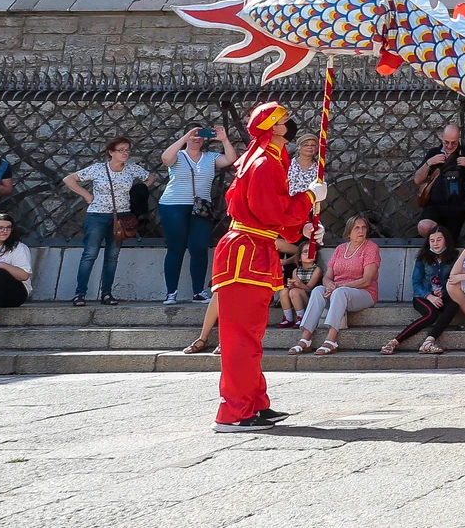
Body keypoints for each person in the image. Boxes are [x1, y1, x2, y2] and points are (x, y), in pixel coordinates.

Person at [212, 102, 320, 432]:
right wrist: (308, 200)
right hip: (245, 252)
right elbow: (272, 211)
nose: (290, 123)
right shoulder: (262, 163)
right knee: (241, 337)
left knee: (252, 335)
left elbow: (272, 217)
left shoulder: (267, 160)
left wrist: (301, 228)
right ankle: (234, 411)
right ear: (273, 127)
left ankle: (254, 403)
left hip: (256, 248)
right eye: (285, 120)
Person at [62, 137, 150, 307]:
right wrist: (87, 195)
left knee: (112, 256)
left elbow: (150, 177)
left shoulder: (132, 169)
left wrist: (140, 190)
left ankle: (107, 293)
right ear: (111, 152)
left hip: (122, 216)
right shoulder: (98, 169)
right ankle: (80, 294)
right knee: (90, 254)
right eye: (121, 150)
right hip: (98, 215)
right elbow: (69, 179)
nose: (125, 153)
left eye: (127, 150)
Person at [156, 125, 234, 305]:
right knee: (176, 248)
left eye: (200, 136)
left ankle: (198, 291)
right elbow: (166, 158)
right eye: (193, 135)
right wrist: (184, 138)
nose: (196, 139)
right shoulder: (178, 155)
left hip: (201, 207)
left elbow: (230, 159)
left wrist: (223, 139)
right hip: (174, 205)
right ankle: (171, 293)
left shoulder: (210, 157)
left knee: (199, 248)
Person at [290, 215, 380, 355]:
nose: (361, 231)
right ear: (349, 232)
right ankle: (306, 338)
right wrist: (329, 285)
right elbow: (327, 277)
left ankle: (331, 340)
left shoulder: (371, 248)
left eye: (363, 228)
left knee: (340, 292)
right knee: (318, 290)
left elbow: (366, 280)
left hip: (364, 292)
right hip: (337, 291)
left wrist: (339, 287)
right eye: (357, 228)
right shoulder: (339, 249)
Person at [385, 229, 459, 354]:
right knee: (431, 315)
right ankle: (394, 342)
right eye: (432, 240)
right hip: (423, 296)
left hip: (444, 295)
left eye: (439, 239)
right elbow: (416, 283)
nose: (435, 243)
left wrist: (444, 292)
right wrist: (429, 296)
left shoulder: (453, 257)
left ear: (446, 240)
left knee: (454, 305)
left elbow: (455, 279)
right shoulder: (423, 258)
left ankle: (428, 342)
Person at [414, 124, 465, 240]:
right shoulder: (434, 152)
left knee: (448, 241)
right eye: (446, 142)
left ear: (459, 139)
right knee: (424, 227)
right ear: (442, 138)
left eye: (453, 143)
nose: (450, 146)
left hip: (456, 207)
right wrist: (429, 163)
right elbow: (417, 179)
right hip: (434, 205)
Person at [276, 240, 322, 328]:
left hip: (309, 298)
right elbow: (295, 286)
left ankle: (302, 317)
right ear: (299, 257)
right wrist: (292, 284)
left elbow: (309, 287)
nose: (309, 254)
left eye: (312, 251)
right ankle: (288, 318)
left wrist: (300, 285)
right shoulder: (295, 270)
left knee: (294, 292)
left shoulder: (317, 270)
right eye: (305, 252)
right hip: (297, 295)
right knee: (284, 291)